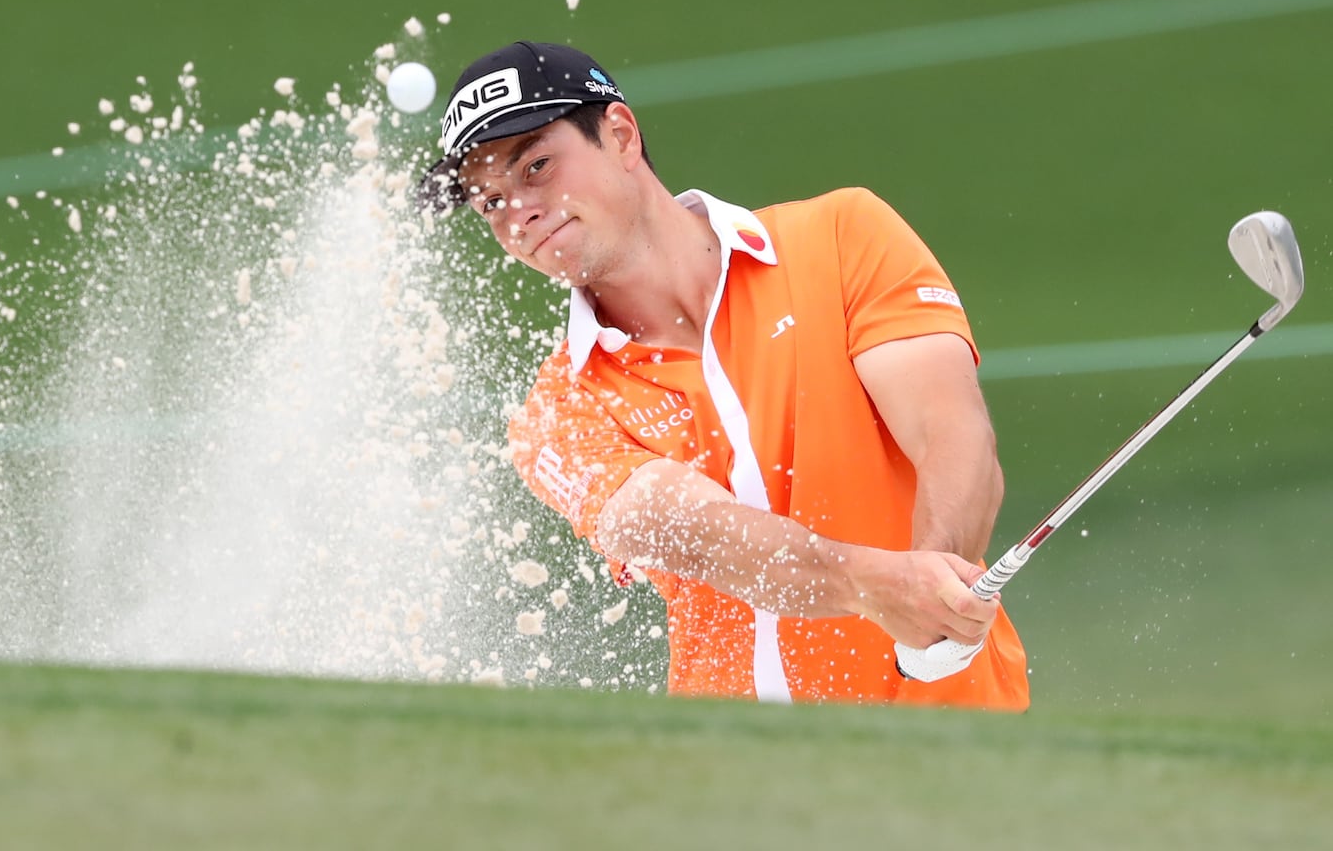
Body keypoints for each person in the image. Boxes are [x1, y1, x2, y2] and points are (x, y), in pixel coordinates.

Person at [419, 41, 1028, 709]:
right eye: (488, 204)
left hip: (966, 751)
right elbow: (698, 535)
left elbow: (950, 433)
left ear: (620, 135)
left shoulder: (841, 235)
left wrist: (934, 587)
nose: (517, 215)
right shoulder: (556, 414)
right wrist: (872, 585)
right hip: (737, 787)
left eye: (535, 167)